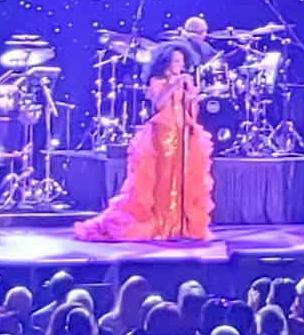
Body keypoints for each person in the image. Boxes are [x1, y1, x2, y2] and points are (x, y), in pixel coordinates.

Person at [75, 42, 214, 241]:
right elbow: (159, 104)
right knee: (164, 177)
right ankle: (161, 224)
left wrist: (191, 96)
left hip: (184, 131)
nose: (180, 65)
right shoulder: (157, 81)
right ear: (166, 62)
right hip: (164, 132)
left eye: (182, 62)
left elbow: (192, 111)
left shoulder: (185, 83)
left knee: (183, 177)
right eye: (176, 61)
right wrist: (174, 85)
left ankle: (179, 225)